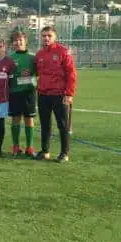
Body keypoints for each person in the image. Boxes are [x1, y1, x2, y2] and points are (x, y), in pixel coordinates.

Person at [35, 26, 77, 162]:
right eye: (43, 36)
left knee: (62, 124)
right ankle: (45, 151)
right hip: (42, 94)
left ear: (55, 37)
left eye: (49, 36)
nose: (46, 38)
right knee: (45, 124)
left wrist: (69, 93)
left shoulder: (63, 52)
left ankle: (64, 153)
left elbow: (71, 73)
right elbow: (36, 73)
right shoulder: (39, 54)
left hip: (59, 95)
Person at [9, 31, 38, 157]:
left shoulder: (33, 57)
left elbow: (39, 74)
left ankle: (29, 147)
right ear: (12, 43)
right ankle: (15, 146)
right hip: (14, 93)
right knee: (15, 119)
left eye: (21, 40)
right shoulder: (9, 58)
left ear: (25, 41)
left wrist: (30, 77)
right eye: (16, 40)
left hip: (29, 93)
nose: (18, 42)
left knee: (29, 119)